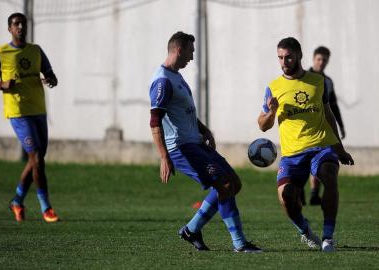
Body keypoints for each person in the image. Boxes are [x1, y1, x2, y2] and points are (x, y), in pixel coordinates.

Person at [149, 31, 261, 252]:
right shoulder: (162, 80)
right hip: (181, 147)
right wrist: (164, 157)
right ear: (179, 50)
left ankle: (191, 230)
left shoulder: (176, 76)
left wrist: (204, 129)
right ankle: (239, 243)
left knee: (233, 183)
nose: (192, 57)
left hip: (196, 142)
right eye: (191, 51)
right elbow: (155, 121)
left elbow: (183, 111)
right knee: (224, 185)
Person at [257, 37, 354, 252]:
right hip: (292, 154)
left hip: (321, 146)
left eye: (288, 57)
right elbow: (263, 125)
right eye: (280, 57)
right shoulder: (273, 88)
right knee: (286, 197)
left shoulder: (318, 82)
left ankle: (328, 236)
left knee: (329, 174)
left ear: (299, 55)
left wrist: (339, 147)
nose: (284, 61)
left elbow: (328, 114)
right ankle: (305, 231)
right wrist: (272, 111)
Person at [0, 13, 59, 223]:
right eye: (16, 24)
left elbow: (51, 74)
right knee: (35, 157)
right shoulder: (1, 53)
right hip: (18, 112)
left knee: (37, 159)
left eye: (23, 24)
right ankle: (46, 208)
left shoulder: (36, 50)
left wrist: (51, 79)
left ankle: (17, 200)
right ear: (9, 29)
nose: (21, 27)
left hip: (38, 110)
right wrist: (2, 85)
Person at [306, 46, 346, 206]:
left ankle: (315, 194)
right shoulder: (304, 77)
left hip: (324, 128)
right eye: (319, 59)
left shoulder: (327, 81)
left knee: (322, 160)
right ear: (313, 59)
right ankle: (305, 192)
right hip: (307, 128)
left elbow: (333, 106)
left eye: (324, 60)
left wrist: (341, 126)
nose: (321, 62)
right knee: (305, 161)